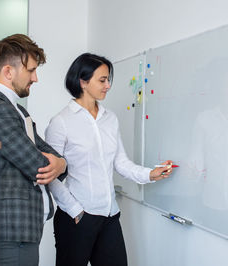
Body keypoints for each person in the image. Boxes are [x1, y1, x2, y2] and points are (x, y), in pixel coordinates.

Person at [44, 53, 173, 266]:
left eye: (108, 79)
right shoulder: (61, 122)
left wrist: (150, 174)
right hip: (77, 218)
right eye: (102, 80)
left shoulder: (110, 119)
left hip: (110, 215)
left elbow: (121, 162)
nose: (108, 85)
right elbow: (51, 176)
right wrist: (76, 211)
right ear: (83, 82)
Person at [0, 34, 67, 266]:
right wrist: (57, 164)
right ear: (8, 71)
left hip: (20, 231)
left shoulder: (17, 112)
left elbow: (55, 157)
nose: (35, 78)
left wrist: (61, 163)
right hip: (10, 231)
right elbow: (40, 165)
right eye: (31, 70)